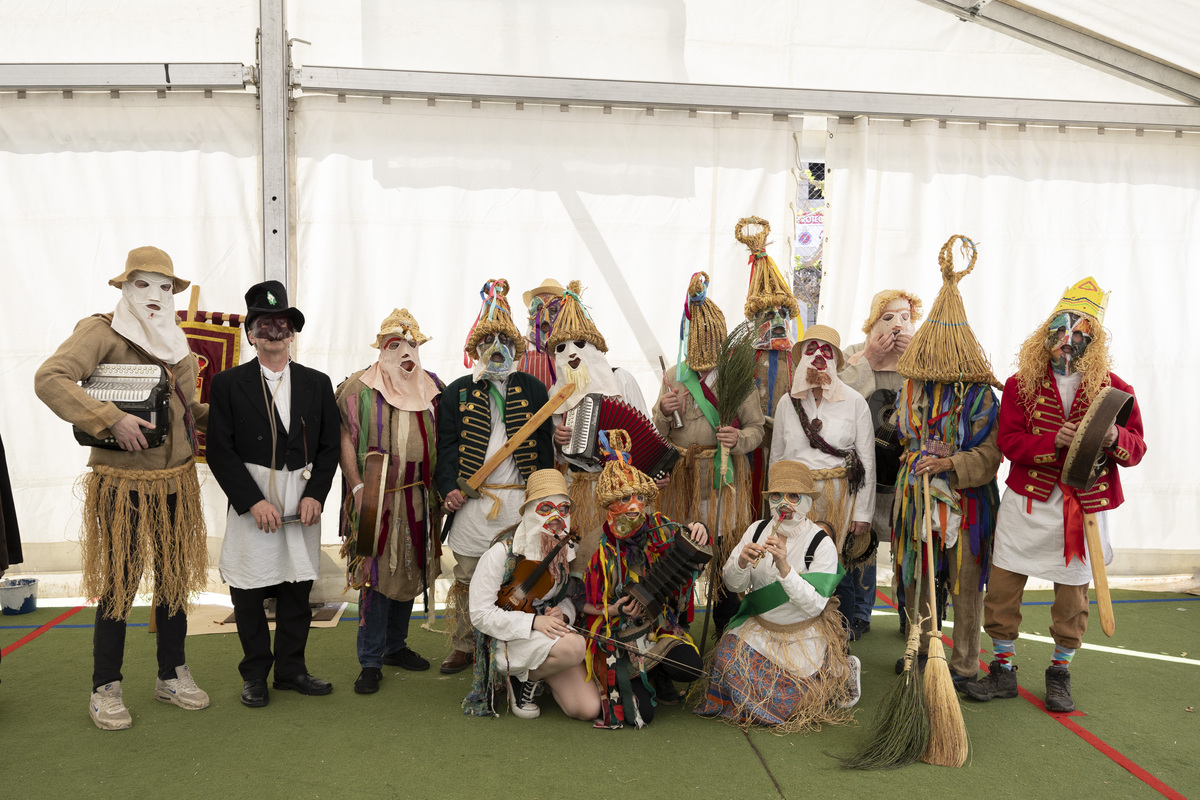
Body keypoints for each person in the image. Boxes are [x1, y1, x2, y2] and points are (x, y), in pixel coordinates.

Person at [34, 246, 210, 730]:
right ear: (124, 287)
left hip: (176, 482)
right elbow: (50, 378)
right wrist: (109, 418)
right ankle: (105, 686)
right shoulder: (100, 331)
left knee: (174, 580)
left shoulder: (178, 343)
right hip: (122, 486)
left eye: (165, 286)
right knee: (120, 582)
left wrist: (240, 423)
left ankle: (171, 673)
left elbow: (184, 411)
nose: (155, 295)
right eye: (143, 284)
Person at [967, 277, 1145, 712]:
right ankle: (1003, 671)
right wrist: (1053, 443)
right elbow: (1009, 442)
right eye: (1060, 329)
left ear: (1094, 339)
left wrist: (1111, 436)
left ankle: (1059, 672)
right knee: (1003, 589)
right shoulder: (1018, 384)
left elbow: (1136, 448)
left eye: (1080, 333)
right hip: (1027, 504)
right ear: (1044, 334)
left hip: (1083, 508)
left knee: (1072, 598)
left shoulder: (1115, 388)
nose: (1068, 340)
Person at [206, 280, 341, 708]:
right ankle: (255, 675)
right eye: (265, 324)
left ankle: (291, 670)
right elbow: (219, 451)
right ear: (251, 334)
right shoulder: (227, 383)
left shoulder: (317, 383)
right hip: (254, 496)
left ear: (292, 332)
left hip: (300, 495)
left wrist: (316, 493)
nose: (274, 331)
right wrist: (252, 502)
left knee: (297, 586)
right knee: (248, 590)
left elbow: (329, 447)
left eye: (281, 323)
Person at [886, 240, 1002, 691]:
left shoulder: (980, 398)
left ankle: (965, 664)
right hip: (918, 501)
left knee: (966, 585)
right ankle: (919, 648)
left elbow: (991, 457)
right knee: (917, 575)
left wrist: (949, 462)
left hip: (968, 503)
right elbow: (903, 436)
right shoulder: (910, 391)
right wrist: (918, 458)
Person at [436, 279, 556, 675]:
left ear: (516, 345)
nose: (497, 347)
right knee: (469, 575)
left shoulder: (534, 387)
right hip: (474, 500)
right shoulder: (456, 392)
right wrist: (448, 488)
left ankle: (511, 641)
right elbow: (446, 448)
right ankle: (465, 644)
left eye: (505, 338)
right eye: (490, 340)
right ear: (476, 349)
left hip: (520, 499)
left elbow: (544, 447)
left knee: (518, 574)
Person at [695, 460, 859, 731]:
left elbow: (814, 606)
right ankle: (781, 697)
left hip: (802, 633)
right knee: (724, 662)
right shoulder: (757, 530)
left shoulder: (820, 543)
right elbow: (733, 585)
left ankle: (838, 674)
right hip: (760, 627)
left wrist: (785, 568)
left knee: (793, 697)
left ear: (807, 502)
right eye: (777, 496)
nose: (785, 503)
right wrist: (741, 564)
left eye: (794, 496)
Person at [335, 309, 443, 694]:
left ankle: (396, 646)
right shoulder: (355, 388)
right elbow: (344, 438)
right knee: (375, 575)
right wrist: (357, 485)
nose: (405, 352)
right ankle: (370, 659)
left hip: (417, 497)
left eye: (413, 344)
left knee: (409, 570)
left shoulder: (433, 388)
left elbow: (443, 443)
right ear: (381, 348)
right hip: (373, 499)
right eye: (396, 345)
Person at [653, 271, 764, 636]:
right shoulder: (673, 375)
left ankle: (726, 628)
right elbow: (660, 434)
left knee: (724, 552)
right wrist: (664, 411)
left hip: (722, 481)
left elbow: (757, 430)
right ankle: (675, 629)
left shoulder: (737, 378)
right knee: (679, 553)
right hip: (682, 482)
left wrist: (736, 439)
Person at [581, 434, 709, 728]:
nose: (635, 507)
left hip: (658, 629)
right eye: (625, 498)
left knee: (690, 667)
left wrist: (699, 528)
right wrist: (614, 610)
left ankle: (660, 672)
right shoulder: (593, 549)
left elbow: (689, 546)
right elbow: (579, 603)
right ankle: (640, 675)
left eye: (640, 497)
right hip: (617, 638)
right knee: (642, 716)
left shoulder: (661, 528)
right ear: (609, 503)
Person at [463, 469, 601, 720]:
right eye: (546, 508)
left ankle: (539, 673)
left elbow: (570, 598)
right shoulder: (502, 553)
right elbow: (480, 614)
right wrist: (534, 621)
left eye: (564, 509)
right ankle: (519, 679)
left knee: (587, 709)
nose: (557, 517)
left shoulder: (568, 552)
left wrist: (564, 614)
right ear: (529, 511)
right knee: (575, 646)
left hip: (548, 636)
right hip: (509, 637)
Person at [837, 290, 923, 640]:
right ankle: (858, 611)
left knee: (909, 541)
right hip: (861, 472)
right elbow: (835, 398)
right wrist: (867, 361)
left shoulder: (923, 356)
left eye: (905, 317)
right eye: (887, 317)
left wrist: (918, 360)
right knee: (860, 538)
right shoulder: (850, 355)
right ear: (873, 322)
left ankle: (910, 615)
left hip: (906, 471)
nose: (897, 325)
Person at [547, 280, 651, 538]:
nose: (571, 354)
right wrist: (557, 441)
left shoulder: (622, 379)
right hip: (579, 487)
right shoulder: (556, 394)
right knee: (584, 558)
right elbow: (559, 456)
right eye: (562, 348)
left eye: (580, 344)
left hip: (622, 489)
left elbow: (647, 433)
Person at [769, 324, 875, 563]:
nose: (818, 356)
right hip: (794, 498)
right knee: (794, 562)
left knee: (833, 564)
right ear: (803, 358)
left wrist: (863, 513)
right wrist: (775, 506)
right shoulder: (787, 402)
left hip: (838, 499)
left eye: (827, 352)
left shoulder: (855, 402)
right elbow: (776, 458)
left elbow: (867, 460)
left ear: (835, 361)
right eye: (812, 349)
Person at [517, 277, 564, 388]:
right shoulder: (518, 348)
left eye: (553, 310)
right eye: (539, 309)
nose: (545, 318)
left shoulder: (573, 348)